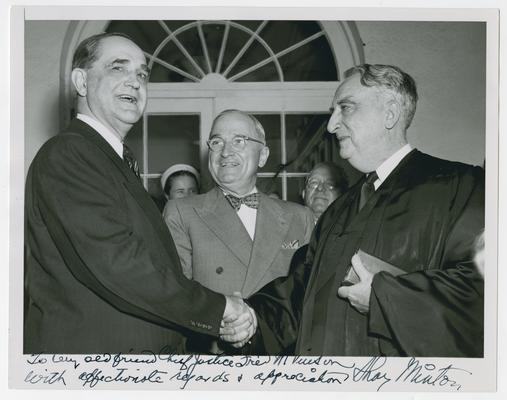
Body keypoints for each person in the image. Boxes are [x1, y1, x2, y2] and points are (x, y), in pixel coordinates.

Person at [24, 32, 253, 354]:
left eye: (142, 74)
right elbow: (118, 264)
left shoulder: (108, 159)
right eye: (119, 68)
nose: (135, 82)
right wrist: (220, 310)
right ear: (81, 81)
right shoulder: (70, 153)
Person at [246, 64, 484, 357]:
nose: (331, 125)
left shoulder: (461, 187)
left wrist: (387, 298)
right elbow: (300, 296)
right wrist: (246, 318)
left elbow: (484, 290)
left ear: (390, 113)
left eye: (345, 108)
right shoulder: (337, 211)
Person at [163, 109, 315, 353]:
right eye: (216, 141)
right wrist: (219, 325)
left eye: (239, 140)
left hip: (281, 360)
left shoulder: (300, 217)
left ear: (263, 155)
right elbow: (175, 293)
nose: (225, 151)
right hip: (214, 359)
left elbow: (309, 301)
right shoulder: (181, 212)